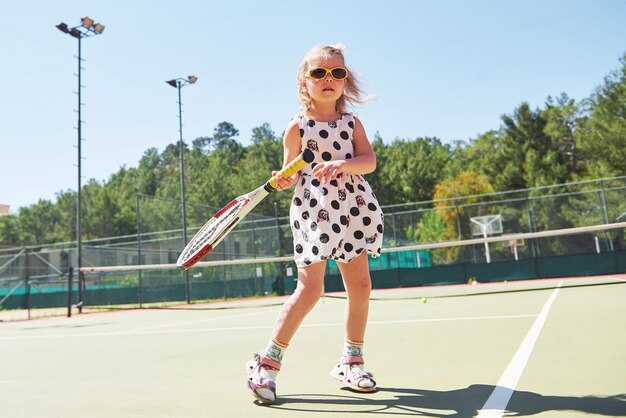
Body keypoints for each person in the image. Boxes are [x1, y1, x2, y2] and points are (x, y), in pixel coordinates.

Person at [246, 44, 384, 405]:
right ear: (303, 82)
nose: (328, 79)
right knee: (310, 291)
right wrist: (283, 178)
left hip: (353, 209)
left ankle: (352, 361)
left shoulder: (352, 123)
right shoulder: (297, 127)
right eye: (319, 73)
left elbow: (368, 160)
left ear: (345, 81)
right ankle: (266, 363)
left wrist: (343, 165)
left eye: (337, 73)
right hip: (313, 213)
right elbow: (290, 172)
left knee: (361, 285)